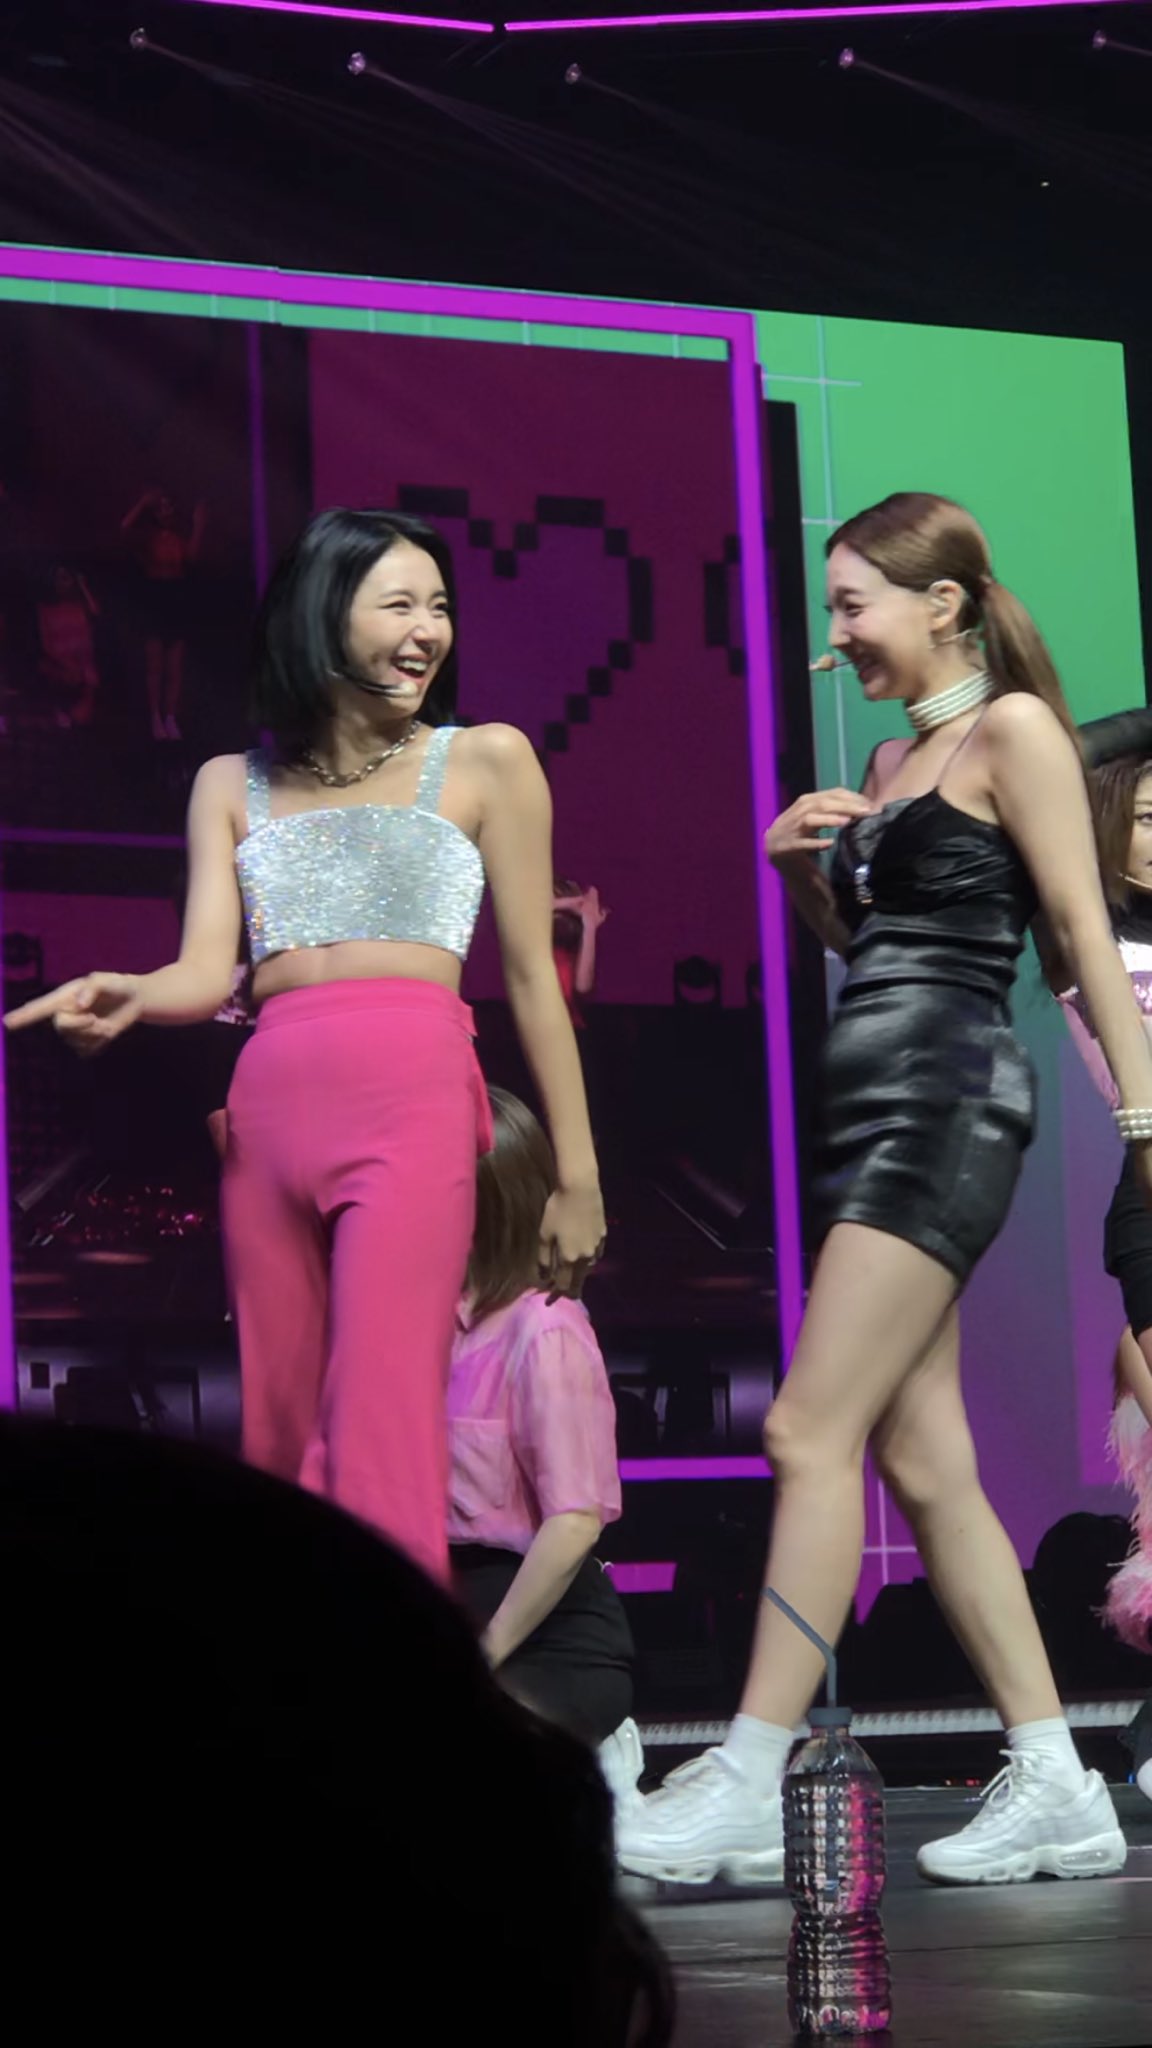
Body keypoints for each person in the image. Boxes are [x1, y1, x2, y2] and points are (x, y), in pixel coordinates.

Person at [617, 490, 1152, 1888]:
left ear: (943, 602)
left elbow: (1078, 933)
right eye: (832, 607)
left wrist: (1147, 1119)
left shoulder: (1015, 732)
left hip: (946, 1101)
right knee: (923, 1460)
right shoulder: (890, 760)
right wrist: (796, 870)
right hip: (875, 1104)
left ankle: (749, 1772)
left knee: (807, 1428)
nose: (835, 632)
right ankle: (1056, 1777)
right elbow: (874, 947)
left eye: (853, 603)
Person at [5, 507, 606, 1586]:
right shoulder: (227, 783)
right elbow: (206, 971)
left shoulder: (487, 760)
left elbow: (531, 980)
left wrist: (578, 1172)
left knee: (379, 1422)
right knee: (279, 1436)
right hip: (272, 1109)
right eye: (399, 604)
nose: (428, 630)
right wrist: (133, 993)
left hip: (414, 1098)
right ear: (324, 618)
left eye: (439, 607)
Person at [3, 1416, 674, 2047]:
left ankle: (569, 1772)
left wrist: (479, 1657)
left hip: (526, 1633)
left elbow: (574, 1520)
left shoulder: (532, 1344)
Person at [448, 1086, 642, 1809]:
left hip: (546, 1634)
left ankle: (598, 1753)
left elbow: (575, 1521)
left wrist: (484, 1656)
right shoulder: (424, 1321)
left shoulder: (545, 1328)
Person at [121, 485, 207, 741]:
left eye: (169, 507)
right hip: (155, 600)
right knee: (155, 665)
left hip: (176, 600)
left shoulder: (178, 539)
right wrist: (142, 503)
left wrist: (198, 524)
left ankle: (170, 716)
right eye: (160, 508)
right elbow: (124, 528)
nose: (165, 512)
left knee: (175, 666)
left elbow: (191, 557)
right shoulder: (149, 539)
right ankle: (155, 716)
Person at [37, 564, 100, 728]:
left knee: (81, 717)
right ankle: (59, 710)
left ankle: (80, 710)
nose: (63, 582)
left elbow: (94, 612)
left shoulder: (80, 605)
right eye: (59, 578)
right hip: (59, 661)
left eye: (67, 577)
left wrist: (83, 586)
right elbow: (46, 643)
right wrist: (65, 663)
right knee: (59, 675)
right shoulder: (45, 609)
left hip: (83, 661)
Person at [553, 878, 609, 1028]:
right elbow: (530, 911)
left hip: (566, 1029)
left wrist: (590, 925)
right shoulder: (530, 943)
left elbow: (583, 987)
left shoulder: (568, 954)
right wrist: (571, 902)